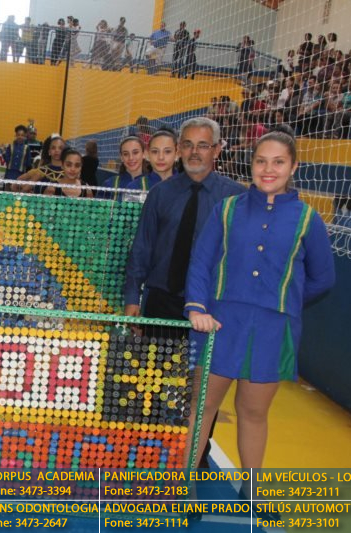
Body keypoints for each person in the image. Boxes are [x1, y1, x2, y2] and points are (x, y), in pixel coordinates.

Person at [187, 126, 335, 507]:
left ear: (293, 167)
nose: (269, 170)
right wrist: (197, 307)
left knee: (253, 412)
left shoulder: (308, 219)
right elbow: (201, 262)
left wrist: (283, 304)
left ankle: (251, 492)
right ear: (251, 165)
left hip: (271, 331)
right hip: (219, 324)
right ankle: (183, 485)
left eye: (278, 162)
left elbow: (323, 278)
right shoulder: (227, 210)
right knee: (201, 407)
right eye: (261, 161)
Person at [125, 117, 246, 469]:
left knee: (201, 388)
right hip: (161, 299)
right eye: (188, 144)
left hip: (209, 307)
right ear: (179, 149)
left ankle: (195, 455)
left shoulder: (235, 198)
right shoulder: (161, 194)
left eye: (203, 145)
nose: (195, 152)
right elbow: (142, 249)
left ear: (217, 150)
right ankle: (148, 452)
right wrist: (132, 299)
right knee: (152, 380)